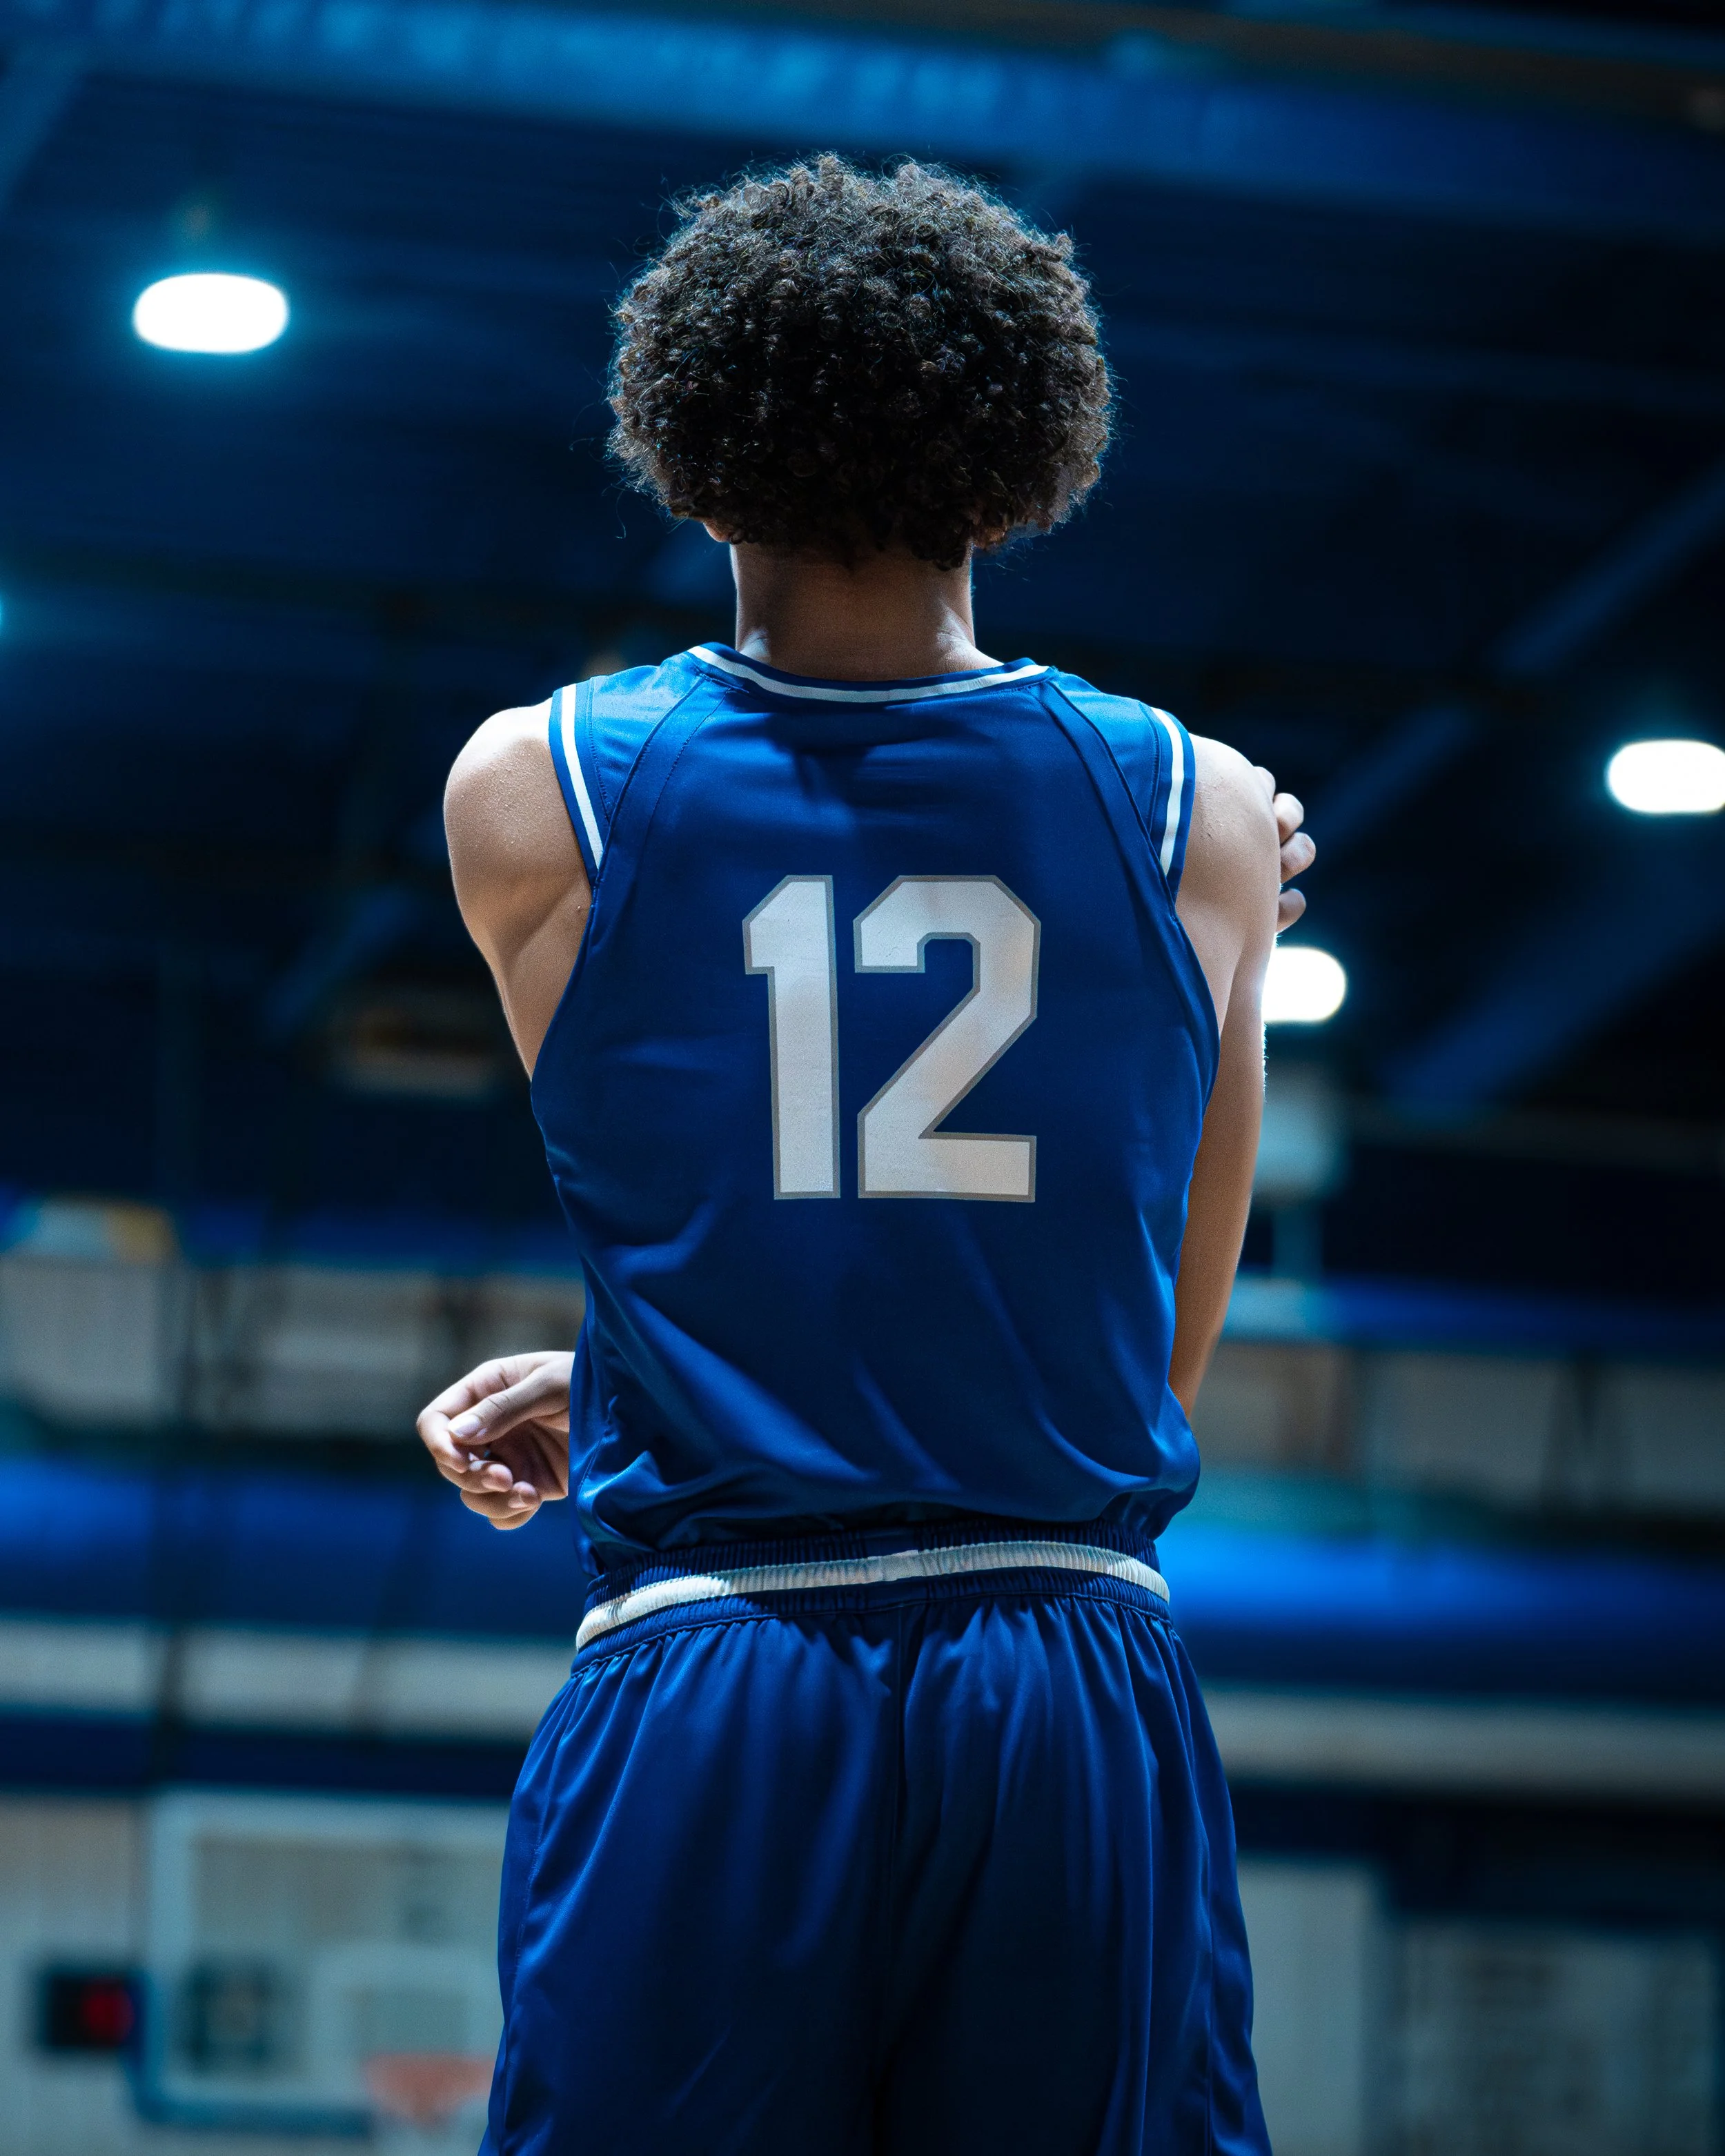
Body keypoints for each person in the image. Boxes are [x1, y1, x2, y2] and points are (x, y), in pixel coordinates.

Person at [418, 157, 1314, 2156]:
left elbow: (726, 1196)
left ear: (689, 451)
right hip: (1061, 1659)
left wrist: (653, 1380)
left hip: (716, 1657)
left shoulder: (534, 793)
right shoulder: (1203, 811)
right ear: (1017, 463)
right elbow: (1152, 1344)